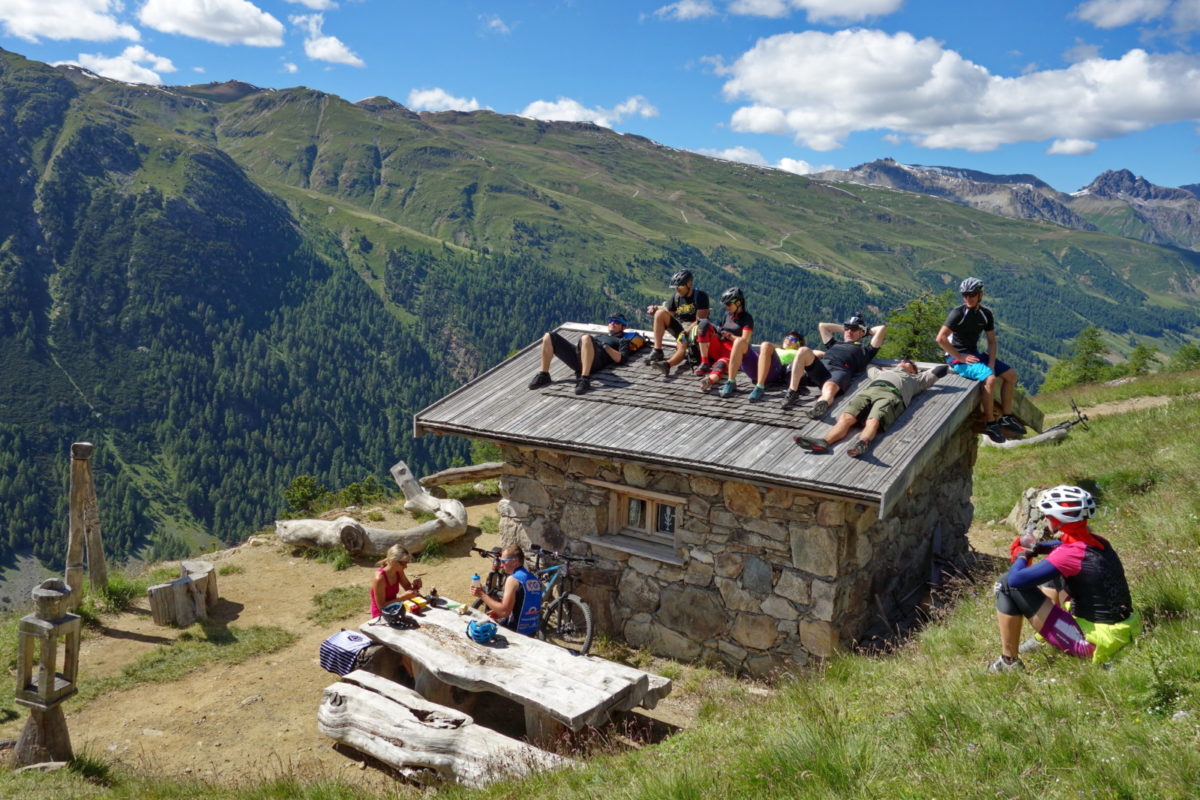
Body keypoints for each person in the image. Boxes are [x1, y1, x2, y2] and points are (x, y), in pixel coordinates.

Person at [989, 485, 1141, 671]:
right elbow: (1058, 546)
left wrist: (1022, 555)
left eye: (1048, 516)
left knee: (1004, 584)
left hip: (1091, 644)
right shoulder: (1098, 542)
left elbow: (1015, 580)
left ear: (1059, 520)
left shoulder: (1069, 554)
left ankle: (1008, 663)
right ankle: (1043, 639)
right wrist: (1036, 548)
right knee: (1055, 570)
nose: (1045, 520)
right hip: (1122, 631)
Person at [794, 359, 949, 457]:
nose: (902, 361)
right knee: (846, 418)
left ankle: (862, 443)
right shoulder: (882, 372)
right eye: (901, 360)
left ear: (914, 370)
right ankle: (824, 442)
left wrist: (923, 369)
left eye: (907, 361)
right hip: (870, 391)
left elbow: (941, 369)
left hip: (891, 395)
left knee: (873, 420)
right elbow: (869, 364)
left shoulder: (917, 379)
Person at [935, 277, 1024, 444]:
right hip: (958, 359)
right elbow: (940, 339)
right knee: (989, 379)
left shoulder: (985, 314)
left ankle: (1007, 416)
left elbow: (991, 341)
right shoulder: (958, 313)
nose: (968, 298)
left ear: (980, 295)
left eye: (972, 294)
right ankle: (990, 423)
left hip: (975, 354)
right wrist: (959, 356)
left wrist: (991, 362)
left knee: (1011, 375)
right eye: (965, 295)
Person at [780, 314, 887, 419]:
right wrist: (846, 328)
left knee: (829, 389)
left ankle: (820, 405)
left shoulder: (866, 350)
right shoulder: (834, 344)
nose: (849, 332)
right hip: (822, 366)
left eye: (854, 330)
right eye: (847, 329)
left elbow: (881, 329)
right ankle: (792, 391)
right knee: (803, 350)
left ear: (861, 333)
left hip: (840, 370)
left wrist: (865, 330)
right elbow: (823, 326)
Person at [527, 314, 633, 395]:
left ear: (623, 327)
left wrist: (606, 347)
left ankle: (584, 379)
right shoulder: (600, 336)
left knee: (586, 337)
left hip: (595, 362)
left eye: (616, 322)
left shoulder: (622, 341)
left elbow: (621, 359)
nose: (612, 323)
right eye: (610, 321)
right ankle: (544, 374)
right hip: (580, 357)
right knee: (549, 336)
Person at [470, 545, 544, 636]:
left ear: (514, 562)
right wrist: (499, 613)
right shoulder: (534, 579)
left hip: (515, 633)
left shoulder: (513, 579)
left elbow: (504, 611)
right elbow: (521, 605)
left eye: (503, 562)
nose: (501, 565)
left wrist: (482, 594)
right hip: (531, 631)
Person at [694, 287, 755, 397]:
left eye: (728, 304)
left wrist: (729, 336)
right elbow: (719, 329)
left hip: (732, 351)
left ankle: (710, 381)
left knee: (721, 364)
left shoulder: (747, 318)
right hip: (720, 345)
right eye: (725, 305)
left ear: (738, 302)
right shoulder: (727, 315)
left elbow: (744, 341)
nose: (727, 307)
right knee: (703, 325)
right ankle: (704, 362)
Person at [646, 269, 710, 371]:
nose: (677, 290)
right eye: (675, 287)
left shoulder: (700, 297)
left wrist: (685, 332)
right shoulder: (676, 297)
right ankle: (657, 350)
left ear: (689, 284)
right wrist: (656, 308)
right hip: (680, 326)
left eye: (679, 287)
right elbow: (668, 313)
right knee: (659, 314)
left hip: (693, 329)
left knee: (682, 343)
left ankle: (667, 365)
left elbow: (700, 320)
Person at [743, 331, 806, 402]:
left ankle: (759, 386)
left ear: (798, 344)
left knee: (766, 345)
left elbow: (814, 354)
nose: (788, 340)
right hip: (760, 367)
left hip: (776, 369)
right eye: (787, 337)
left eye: (792, 339)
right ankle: (731, 380)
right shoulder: (777, 349)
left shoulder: (798, 352)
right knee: (741, 344)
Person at [370, 544, 422, 618]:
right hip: (381, 615)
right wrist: (402, 598)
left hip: (395, 609)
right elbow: (381, 607)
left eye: (406, 563)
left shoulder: (398, 571)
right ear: (392, 561)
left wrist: (416, 586)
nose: (406, 566)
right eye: (403, 563)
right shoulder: (379, 579)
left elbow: (408, 588)